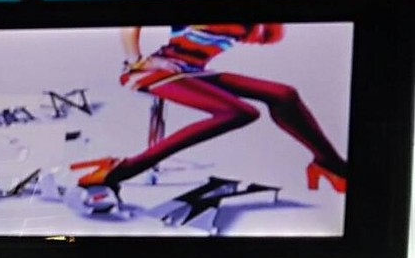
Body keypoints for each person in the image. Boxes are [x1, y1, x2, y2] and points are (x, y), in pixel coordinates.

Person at [72, 22, 347, 198]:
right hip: (152, 71)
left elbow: (267, 36)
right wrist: (136, 60)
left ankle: (330, 164)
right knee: (242, 112)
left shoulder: (255, 25)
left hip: (193, 73)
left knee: (284, 95)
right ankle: (122, 169)